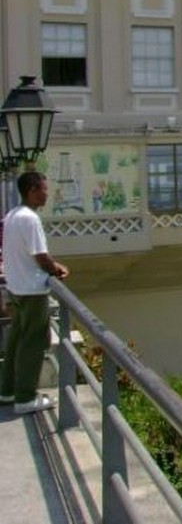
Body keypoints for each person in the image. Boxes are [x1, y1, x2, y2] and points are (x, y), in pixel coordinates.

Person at [0, 171, 69, 414]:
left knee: (16, 340)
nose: (46, 194)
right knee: (33, 342)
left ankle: (7, 391)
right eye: (43, 189)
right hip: (32, 290)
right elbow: (39, 255)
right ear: (31, 190)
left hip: (16, 288)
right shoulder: (30, 219)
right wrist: (57, 268)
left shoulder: (11, 216)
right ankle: (26, 398)